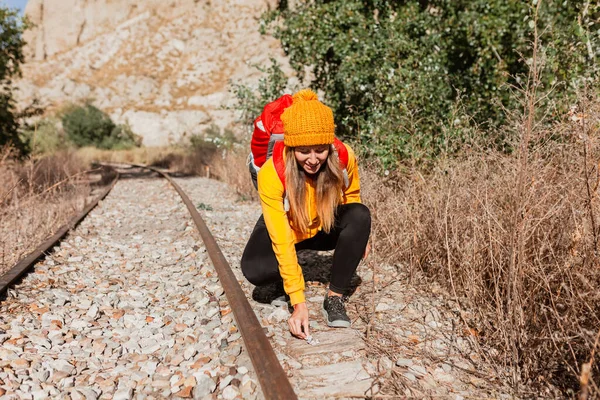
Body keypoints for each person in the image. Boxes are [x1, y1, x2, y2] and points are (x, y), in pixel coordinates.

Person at [241, 89, 371, 339]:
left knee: (360, 215)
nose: (313, 159)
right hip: (289, 226)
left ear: (329, 146)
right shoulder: (273, 173)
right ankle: (286, 280)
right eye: (304, 151)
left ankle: (334, 298)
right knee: (254, 270)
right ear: (291, 148)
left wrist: (360, 236)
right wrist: (298, 302)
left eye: (320, 150)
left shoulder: (344, 156)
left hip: (323, 224)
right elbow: (280, 237)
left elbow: (352, 194)